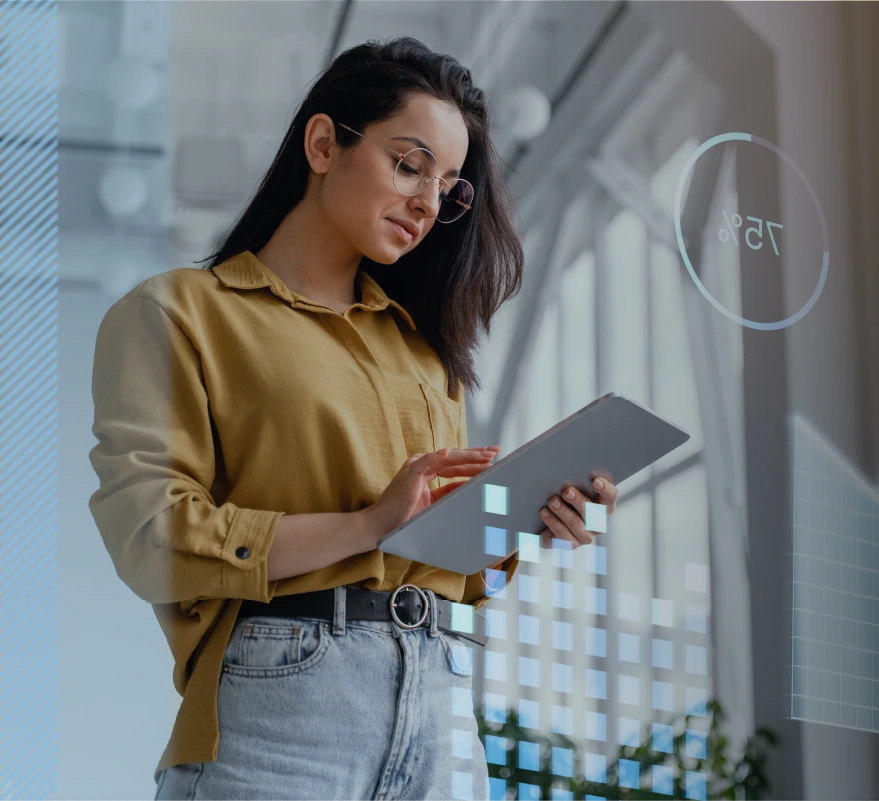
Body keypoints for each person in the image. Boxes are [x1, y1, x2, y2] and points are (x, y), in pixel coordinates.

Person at [87, 37, 617, 801]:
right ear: (323, 144)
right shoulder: (178, 315)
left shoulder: (424, 353)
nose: (429, 203)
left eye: (449, 188)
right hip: (280, 717)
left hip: (442, 709)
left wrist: (526, 517)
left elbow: (432, 553)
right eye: (409, 165)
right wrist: (365, 525)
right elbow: (151, 536)